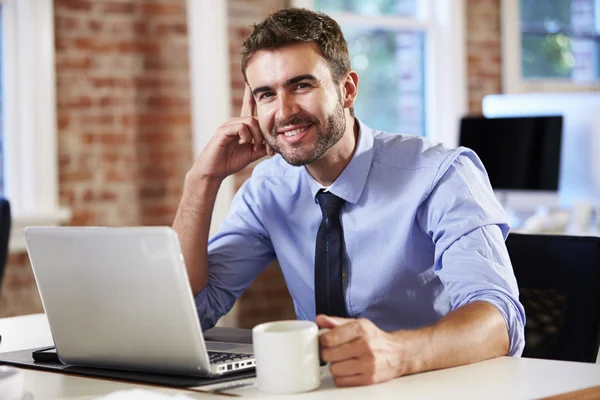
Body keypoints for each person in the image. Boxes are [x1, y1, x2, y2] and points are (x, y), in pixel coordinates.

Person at [173, 7, 525, 387]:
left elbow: (500, 320)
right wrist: (202, 180)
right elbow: (191, 311)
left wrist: (398, 354)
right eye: (266, 95)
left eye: (301, 85)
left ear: (348, 89)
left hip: (439, 386)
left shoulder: (441, 175)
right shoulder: (267, 189)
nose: (285, 111)